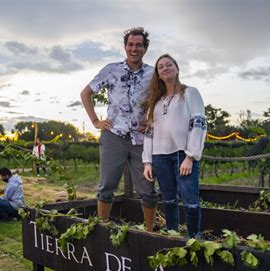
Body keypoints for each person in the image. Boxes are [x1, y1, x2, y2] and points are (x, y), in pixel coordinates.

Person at [80, 27, 157, 232]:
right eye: (130, 44)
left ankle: (150, 232)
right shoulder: (111, 70)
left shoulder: (153, 73)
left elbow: (164, 100)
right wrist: (96, 121)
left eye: (138, 45)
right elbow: (85, 93)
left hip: (141, 139)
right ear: (125, 47)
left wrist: (152, 120)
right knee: (107, 187)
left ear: (145, 48)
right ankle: (102, 230)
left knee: (147, 189)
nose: (134, 48)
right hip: (114, 135)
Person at [142, 54, 207, 238]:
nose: (165, 68)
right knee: (169, 200)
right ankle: (172, 235)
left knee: (190, 202)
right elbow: (149, 132)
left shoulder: (190, 93)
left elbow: (198, 123)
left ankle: (194, 238)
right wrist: (147, 161)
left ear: (177, 69)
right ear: (158, 74)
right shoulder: (156, 102)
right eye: (160, 67)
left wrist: (191, 156)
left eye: (168, 64)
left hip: (182, 154)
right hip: (160, 156)